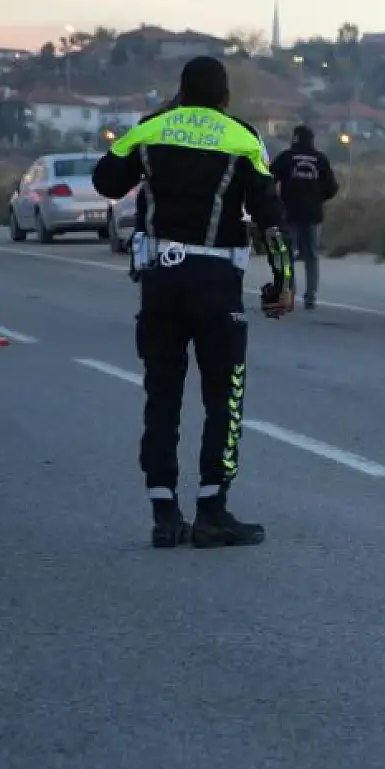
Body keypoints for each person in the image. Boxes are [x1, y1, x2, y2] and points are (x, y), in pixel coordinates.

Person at [92, 56, 296, 550]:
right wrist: (283, 281)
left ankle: (164, 513)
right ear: (225, 96)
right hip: (214, 283)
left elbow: (105, 181)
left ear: (180, 92)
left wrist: (153, 131)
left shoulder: (152, 128)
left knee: (162, 395)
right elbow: (270, 217)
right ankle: (212, 511)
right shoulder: (242, 137)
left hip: (160, 279)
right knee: (222, 397)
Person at [269, 125, 339, 310]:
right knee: (312, 256)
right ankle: (311, 296)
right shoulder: (320, 159)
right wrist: (317, 198)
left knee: (287, 255)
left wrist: (276, 201)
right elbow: (332, 187)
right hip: (314, 215)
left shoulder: (286, 157)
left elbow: (268, 179)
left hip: (289, 213)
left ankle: (288, 292)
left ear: (295, 138)